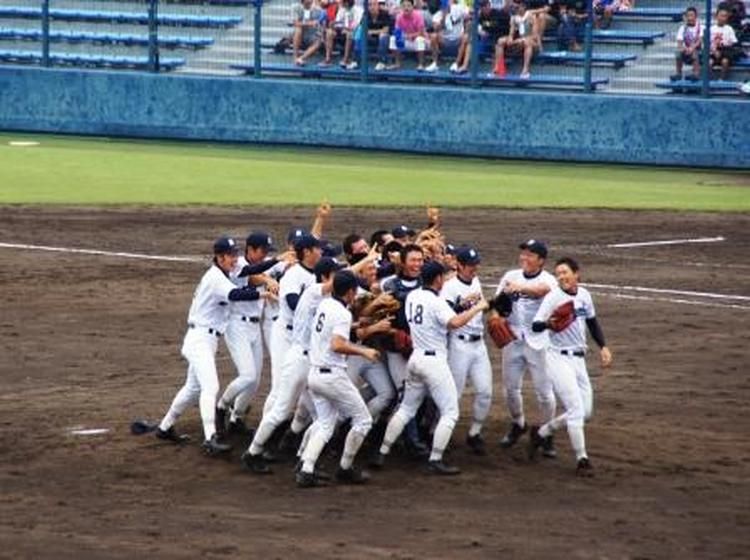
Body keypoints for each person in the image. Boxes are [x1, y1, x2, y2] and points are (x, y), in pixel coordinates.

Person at [371, 261, 490, 474]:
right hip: (434, 362)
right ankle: (435, 459)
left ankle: (382, 451)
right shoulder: (436, 302)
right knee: (450, 412)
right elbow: (453, 322)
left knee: (406, 408)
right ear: (437, 279)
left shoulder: (413, 296)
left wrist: (462, 304)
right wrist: (478, 307)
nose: (445, 280)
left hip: (415, 360)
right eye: (443, 277)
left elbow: (439, 315)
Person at [155, 237, 266, 455]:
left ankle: (165, 427)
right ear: (220, 256)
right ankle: (210, 438)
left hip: (206, 339)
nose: (234, 259)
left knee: (192, 388)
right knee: (210, 387)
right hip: (199, 340)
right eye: (231, 255)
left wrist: (274, 263)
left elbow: (249, 272)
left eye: (235, 255)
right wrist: (261, 293)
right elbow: (236, 294)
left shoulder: (222, 275)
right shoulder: (216, 278)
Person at [241, 257, 345, 474]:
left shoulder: (328, 300)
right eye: (335, 274)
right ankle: (253, 452)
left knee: (323, 416)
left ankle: (305, 460)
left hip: (312, 363)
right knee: (281, 410)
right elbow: (339, 284)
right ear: (326, 277)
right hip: (299, 360)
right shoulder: (313, 293)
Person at [296, 271, 382, 487]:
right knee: (363, 420)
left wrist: (356, 325)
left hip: (315, 373)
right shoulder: (342, 314)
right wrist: (364, 352)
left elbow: (330, 332)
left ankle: (306, 469)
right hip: (332, 376)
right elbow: (337, 344)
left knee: (325, 424)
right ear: (351, 292)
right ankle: (345, 468)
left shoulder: (326, 305)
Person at [528, 257, 613, 476]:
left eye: (565, 272)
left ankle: (542, 432)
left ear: (577, 274)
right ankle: (582, 459)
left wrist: (603, 346)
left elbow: (592, 322)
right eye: (558, 273)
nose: (561, 277)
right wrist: (549, 323)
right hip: (557, 358)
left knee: (586, 412)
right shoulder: (553, 297)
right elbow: (535, 325)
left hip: (578, 359)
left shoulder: (584, 296)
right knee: (576, 410)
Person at [494, 239, 558, 456]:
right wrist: (496, 316)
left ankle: (546, 432)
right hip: (513, 340)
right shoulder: (510, 276)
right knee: (510, 389)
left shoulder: (549, 280)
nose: (524, 258)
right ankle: (518, 423)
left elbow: (542, 291)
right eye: (523, 254)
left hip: (539, 343)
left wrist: (518, 288)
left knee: (545, 394)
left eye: (530, 255)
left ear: (541, 260)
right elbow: (497, 303)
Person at [216, 231, 283, 436]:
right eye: (263, 251)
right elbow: (253, 275)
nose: (265, 255)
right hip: (237, 327)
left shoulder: (255, 265)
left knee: (254, 382)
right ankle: (221, 407)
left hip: (255, 327)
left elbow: (263, 270)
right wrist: (267, 280)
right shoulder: (237, 266)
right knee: (247, 376)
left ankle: (236, 418)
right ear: (251, 249)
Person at [440, 246, 493, 454]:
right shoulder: (449, 288)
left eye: (475, 264)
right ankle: (440, 434)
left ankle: (474, 433)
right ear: (458, 265)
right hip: (458, 345)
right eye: (470, 265)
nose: (474, 268)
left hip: (479, 345)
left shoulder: (476, 281)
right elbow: (446, 318)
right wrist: (468, 307)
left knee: (485, 392)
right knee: (454, 394)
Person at [451, 0, 509, 74]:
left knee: (498, 43)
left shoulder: (498, 14)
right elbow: (473, 24)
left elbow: (501, 29)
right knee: (470, 40)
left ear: (489, 5)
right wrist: (479, 31)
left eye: (484, 6)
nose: (483, 8)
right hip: (487, 39)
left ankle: (496, 69)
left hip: (500, 37)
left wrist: (487, 32)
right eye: (481, 7)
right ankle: (464, 66)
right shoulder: (481, 15)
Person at [493, 0, 538, 78]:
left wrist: (523, 39)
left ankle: (525, 70)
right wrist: (510, 38)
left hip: (532, 42)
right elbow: (511, 33)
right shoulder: (514, 18)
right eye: (515, 7)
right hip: (519, 42)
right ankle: (498, 68)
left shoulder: (531, 16)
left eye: (518, 7)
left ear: (524, 7)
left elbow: (534, 36)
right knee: (500, 41)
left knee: (527, 42)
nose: (516, 8)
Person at [427, 0, 470, 72]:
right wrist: (443, 18)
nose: (446, 7)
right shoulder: (437, 15)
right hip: (444, 40)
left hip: (458, 38)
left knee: (466, 37)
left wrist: (466, 18)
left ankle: (456, 64)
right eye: (443, 6)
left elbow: (469, 14)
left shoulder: (459, 8)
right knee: (433, 36)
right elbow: (436, 28)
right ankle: (434, 63)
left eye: (447, 5)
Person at [321, 0, 364, 69]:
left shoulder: (359, 10)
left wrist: (346, 28)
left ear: (346, 3)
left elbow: (356, 25)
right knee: (329, 32)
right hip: (341, 30)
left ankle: (345, 59)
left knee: (349, 34)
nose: (341, 3)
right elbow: (338, 21)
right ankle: (328, 59)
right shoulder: (342, 9)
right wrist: (333, 24)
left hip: (353, 32)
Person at [390, 0, 429, 70]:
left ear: (412, 7)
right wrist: (402, 36)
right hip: (405, 40)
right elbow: (397, 31)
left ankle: (421, 64)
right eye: (404, 6)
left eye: (408, 6)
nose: (406, 8)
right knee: (393, 38)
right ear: (401, 7)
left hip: (418, 41)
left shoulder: (418, 16)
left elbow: (421, 32)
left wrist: (410, 36)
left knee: (419, 39)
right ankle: (397, 63)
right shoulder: (399, 17)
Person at [672, 7, 703, 82]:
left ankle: (696, 74)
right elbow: (679, 42)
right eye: (688, 16)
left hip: (698, 51)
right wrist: (684, 48)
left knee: (695, 53)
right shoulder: (682, 28)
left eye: (692, 15)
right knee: (678, 52)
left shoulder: (701, 27)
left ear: (696, 16)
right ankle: (678, 74)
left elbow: (700, 41)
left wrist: (692, 48)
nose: (690, 18)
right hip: (686, 51)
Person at [710, 7, 741, 80]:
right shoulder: (711, 29)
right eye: (721, 16)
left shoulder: (729, 28)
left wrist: (728, 45)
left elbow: (734, 42)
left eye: (725, 16)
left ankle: (722, 79)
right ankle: (710, 80)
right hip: (713, 52)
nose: (723, 18)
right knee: (709, 62)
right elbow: (708, 42)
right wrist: (714, 51)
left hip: (724, 52)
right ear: (716, 16)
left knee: (725, 62)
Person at [366, 0, 396, 72]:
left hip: (385, 39)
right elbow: (363, 29)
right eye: (370, 5)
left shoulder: (384, 14)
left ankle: (381, 61)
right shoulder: (366, 15)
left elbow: (385, 30)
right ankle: (356, 60)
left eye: (374, 5)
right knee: (359, 35)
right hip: (371, 38)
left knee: (383, 36)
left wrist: (372, 32)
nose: (372, 7)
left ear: (378, 6)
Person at [293, 0, 325, 66]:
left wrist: (320, 30)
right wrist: (309, 23)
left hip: (312, 33)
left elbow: (321, 23)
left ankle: (301, 58)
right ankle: (295, 57)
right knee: (298, 30)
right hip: (301, 33)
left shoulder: (317, 9)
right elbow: (295, 23)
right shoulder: (296, 7)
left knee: (319, 41)